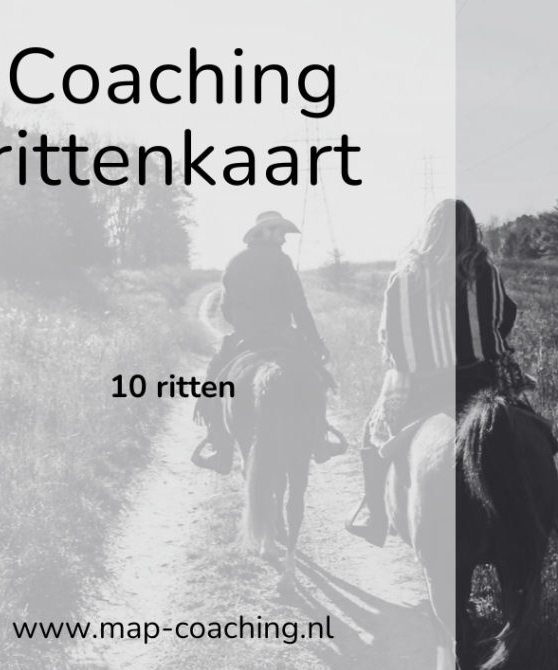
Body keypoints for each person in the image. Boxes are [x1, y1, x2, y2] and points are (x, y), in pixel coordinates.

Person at [346, 198, 532, 547]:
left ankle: (376, 517)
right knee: (532, 430)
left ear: (429, 230)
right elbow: (504, 318)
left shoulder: (406, 276)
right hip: (482, 379)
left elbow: (390, 337)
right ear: (471, 231)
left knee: (373, 435)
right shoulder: (487, 271)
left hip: (424, 386)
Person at [195, 210, 345, 473]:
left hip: (244, 336)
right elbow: (299, 307)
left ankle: (220, 449)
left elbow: (226, 309)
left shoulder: (233, 262)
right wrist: (316, 343)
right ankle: (320, 439)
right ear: (265, 232)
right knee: (316, 377)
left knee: (215, 381)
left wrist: (245, 323)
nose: (284, 238)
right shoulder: (281, 260)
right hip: (282, 334)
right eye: (280, 232)